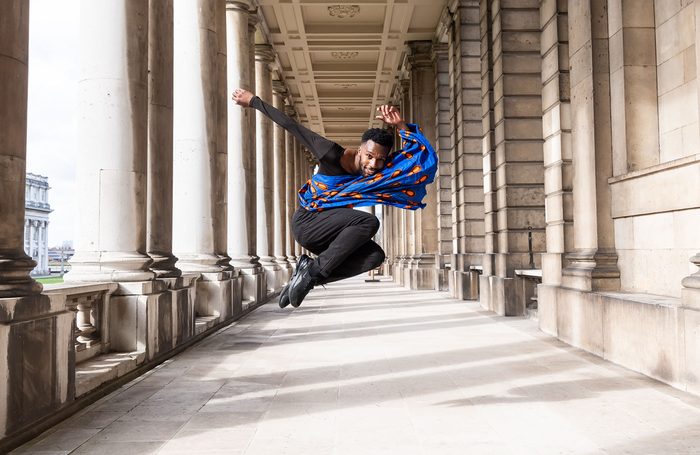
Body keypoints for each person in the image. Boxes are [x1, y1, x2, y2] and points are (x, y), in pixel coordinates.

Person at [232, 88, 437, 308]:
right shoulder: (331, 154)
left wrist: (400, 126)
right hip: (307, 223)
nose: (373, 165)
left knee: (374, 257)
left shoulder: (381, 167)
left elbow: (416, 159)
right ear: (360, 150)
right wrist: (253, 101)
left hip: (333, 233)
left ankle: (306, 277)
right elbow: (293, 126)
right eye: (369, 157)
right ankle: (310, 272)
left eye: (380, 160)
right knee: (369, 221)